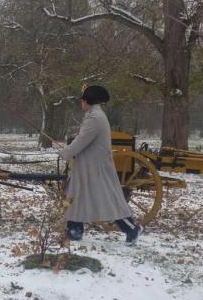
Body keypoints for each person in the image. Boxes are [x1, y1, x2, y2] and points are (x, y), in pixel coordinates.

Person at [58, 85, 143, 245]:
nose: (80, 103)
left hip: (95, 168)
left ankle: (132, 228)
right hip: (89, 166)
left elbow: (81, 141)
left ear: (87, 101)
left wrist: (65, 152)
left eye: (82, 99)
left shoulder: (94, 118)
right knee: (79, 197)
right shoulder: (94, 115)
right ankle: (74, 231)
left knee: (108, 199)